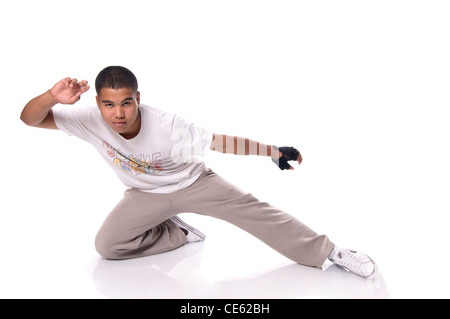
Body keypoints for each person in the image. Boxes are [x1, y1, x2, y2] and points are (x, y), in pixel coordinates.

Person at [20, 66, 376, 278]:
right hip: (144, 195)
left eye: (126, 102)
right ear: (97, 102)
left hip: (193, 183)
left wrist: (272, 152)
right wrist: (52, 96)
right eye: (110, 104)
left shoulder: (168, 127)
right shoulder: (88, 119)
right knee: (107, 246)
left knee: (257, 212)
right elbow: (30, 119)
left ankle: (331, 253)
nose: (119, 114)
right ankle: (176, 234)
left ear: (137, 98)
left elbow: (221, 142)